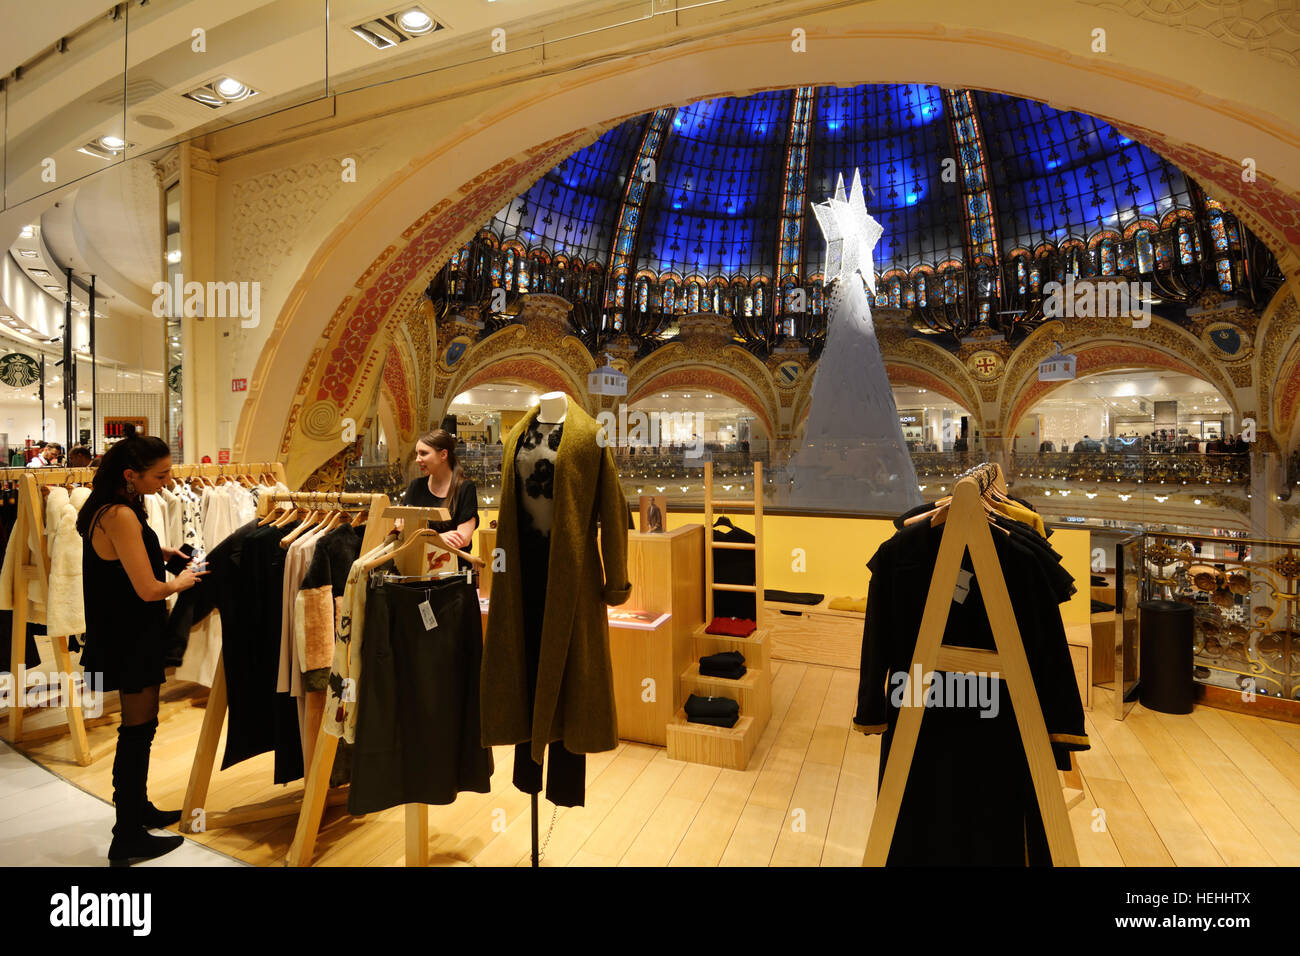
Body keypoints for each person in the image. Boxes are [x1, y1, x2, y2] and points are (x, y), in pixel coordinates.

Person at [76, 424, 207, 865]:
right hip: (131, 635)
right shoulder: (121, 514)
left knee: (141, 727)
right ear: (131, 474)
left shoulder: (108, 508)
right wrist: (182, 581)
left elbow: (119, 561)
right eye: (160, 476)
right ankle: (127, 834)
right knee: (137, 729)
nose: (167, 483)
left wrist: (163, 552)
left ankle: (137, 810)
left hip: (123, 631)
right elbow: (149, 590)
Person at [399, 428, 479, 569]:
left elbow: (462, 539)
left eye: (423, 453)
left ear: (443, 455)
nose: (417, 460)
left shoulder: (465, 488)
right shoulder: (415, 486)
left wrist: (420, 537)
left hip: (454, 574)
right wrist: (438, 537)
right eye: (417, 454)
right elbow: (401, 528)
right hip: (417, 570)